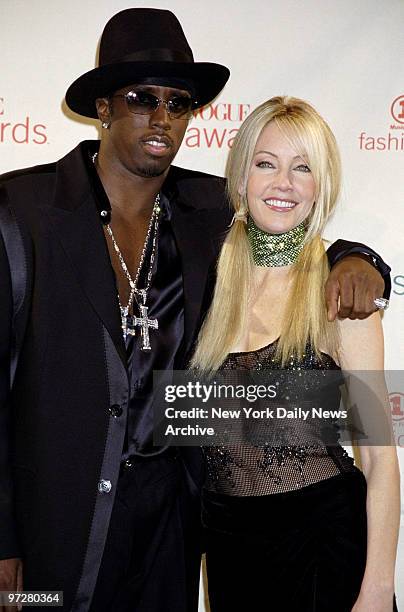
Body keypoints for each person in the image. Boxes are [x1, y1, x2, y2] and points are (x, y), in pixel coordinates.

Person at [0, 9, 392, 612]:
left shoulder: (205, 214)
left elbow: (288, 224)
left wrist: (357, 256)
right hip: (59, 537)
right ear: (103, 106)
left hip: (177, 540)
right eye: (141, 98)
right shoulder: (22, 210)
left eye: (178, 103)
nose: (161, 118)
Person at [191, 96, 400, 611]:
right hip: (230, 548)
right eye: (266, 164)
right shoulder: (206, 282)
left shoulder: (340, 291)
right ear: (241, 178)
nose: (283, 183)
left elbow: (378, 459)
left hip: (324, 548)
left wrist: (375, 591)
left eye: (301, 168)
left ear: (319, 186)